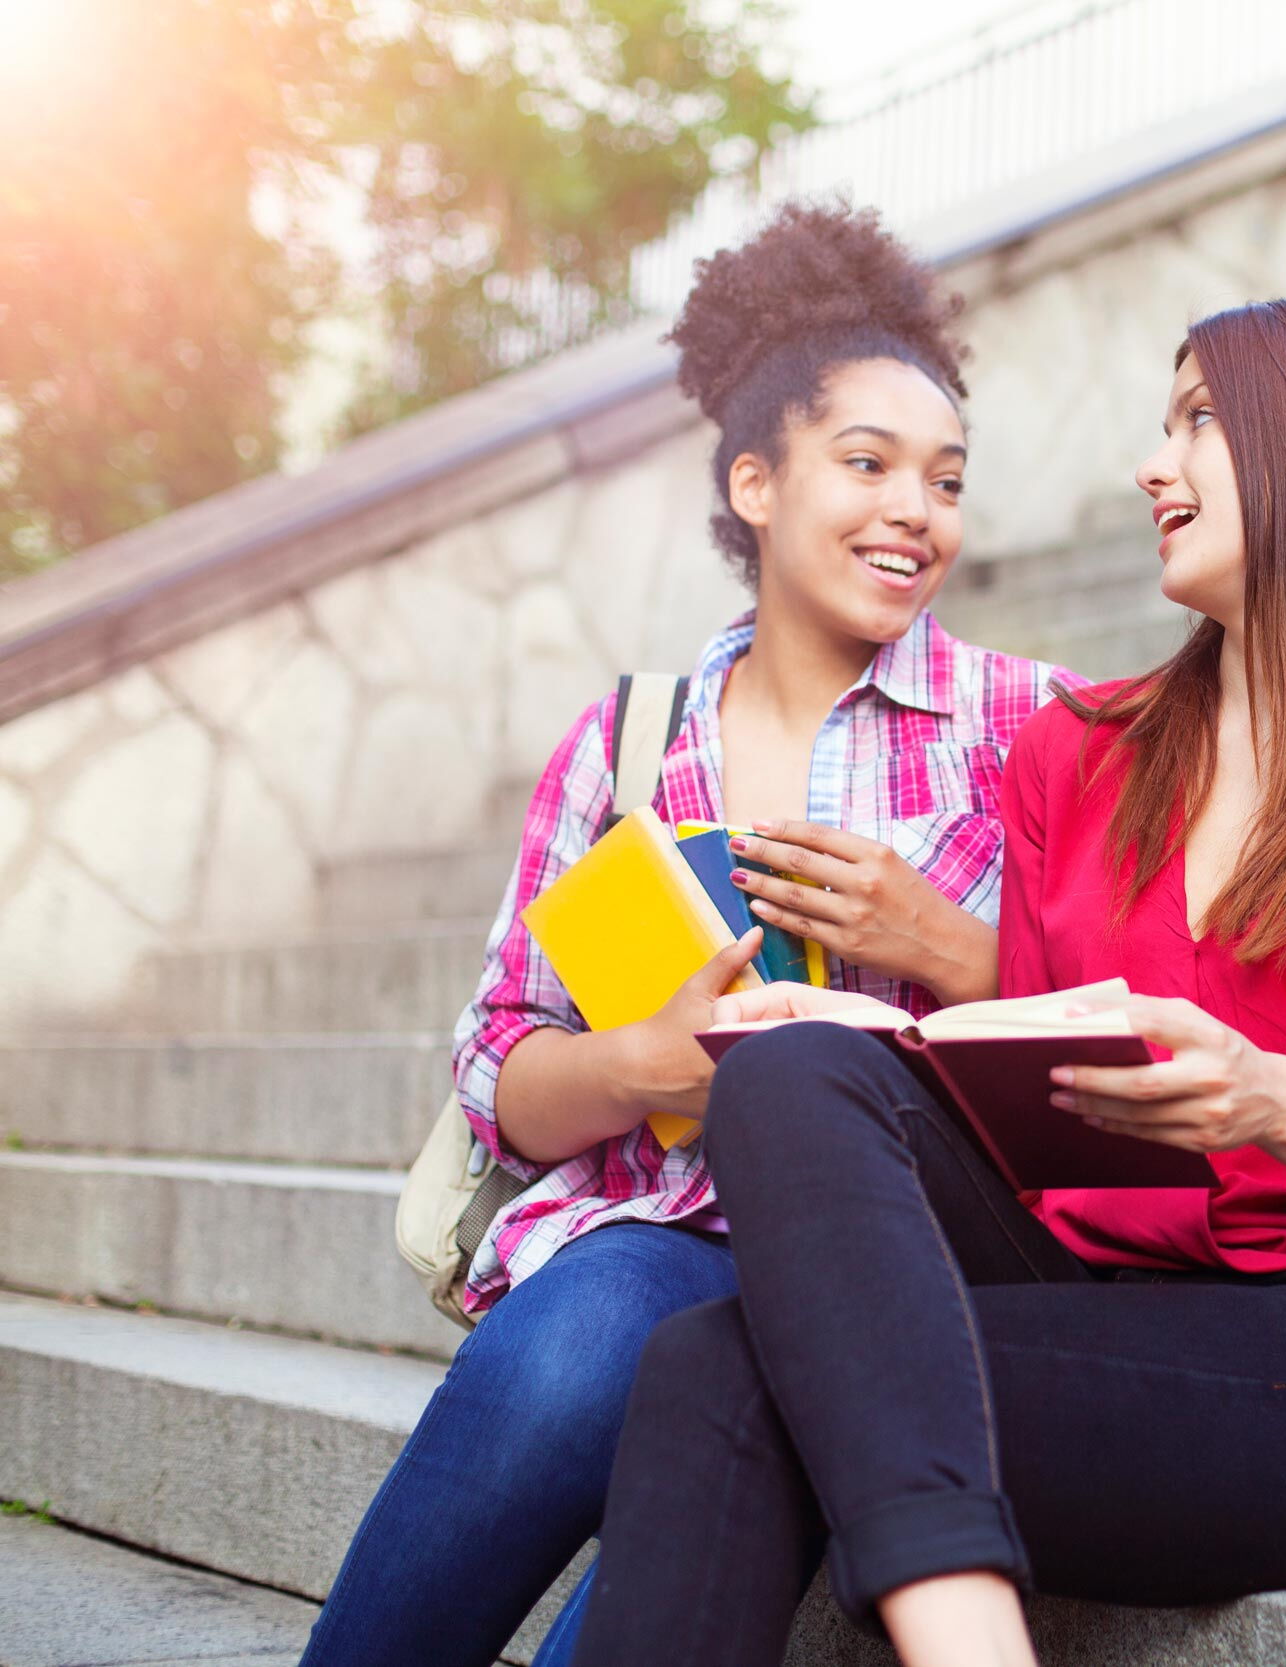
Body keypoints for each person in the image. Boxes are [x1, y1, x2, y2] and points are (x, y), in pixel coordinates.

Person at [570, 297, 1286, 1667]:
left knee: (727, 1370)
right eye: (1164, 428)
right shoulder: (1082, 752)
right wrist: (868, 1039)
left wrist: (1270, 1100)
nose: (1154, 468)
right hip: (1082, 1273)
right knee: (789, 1082)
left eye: (1201, 423)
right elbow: (1024, 1108)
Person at [298, 203, 1073, 1667]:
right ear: (757, 483)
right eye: (869, 464)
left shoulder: (1031, 727)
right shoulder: (632, 745)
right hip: (658, 1244)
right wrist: (645, 1068)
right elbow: (501, 1068)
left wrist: (950, 948)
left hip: (914, 1256)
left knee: (712, 1365)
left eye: (948, 479)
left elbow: (1137, 1006)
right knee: (616, 1316)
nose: (918, 510)